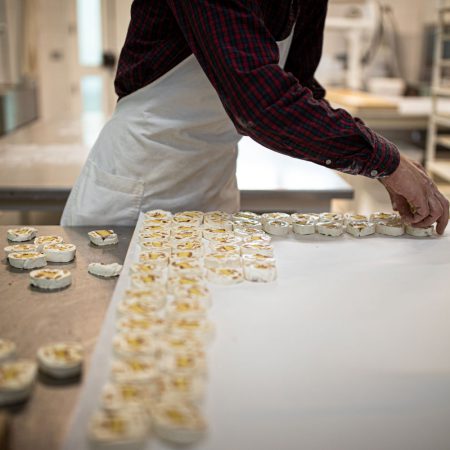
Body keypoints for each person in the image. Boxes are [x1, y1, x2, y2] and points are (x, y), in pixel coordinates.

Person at [61, 0, 449, 234]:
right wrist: (385, 162)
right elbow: (260, 103)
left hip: (213, 185)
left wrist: (380, 158)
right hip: (139, 185)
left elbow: (298, 87)